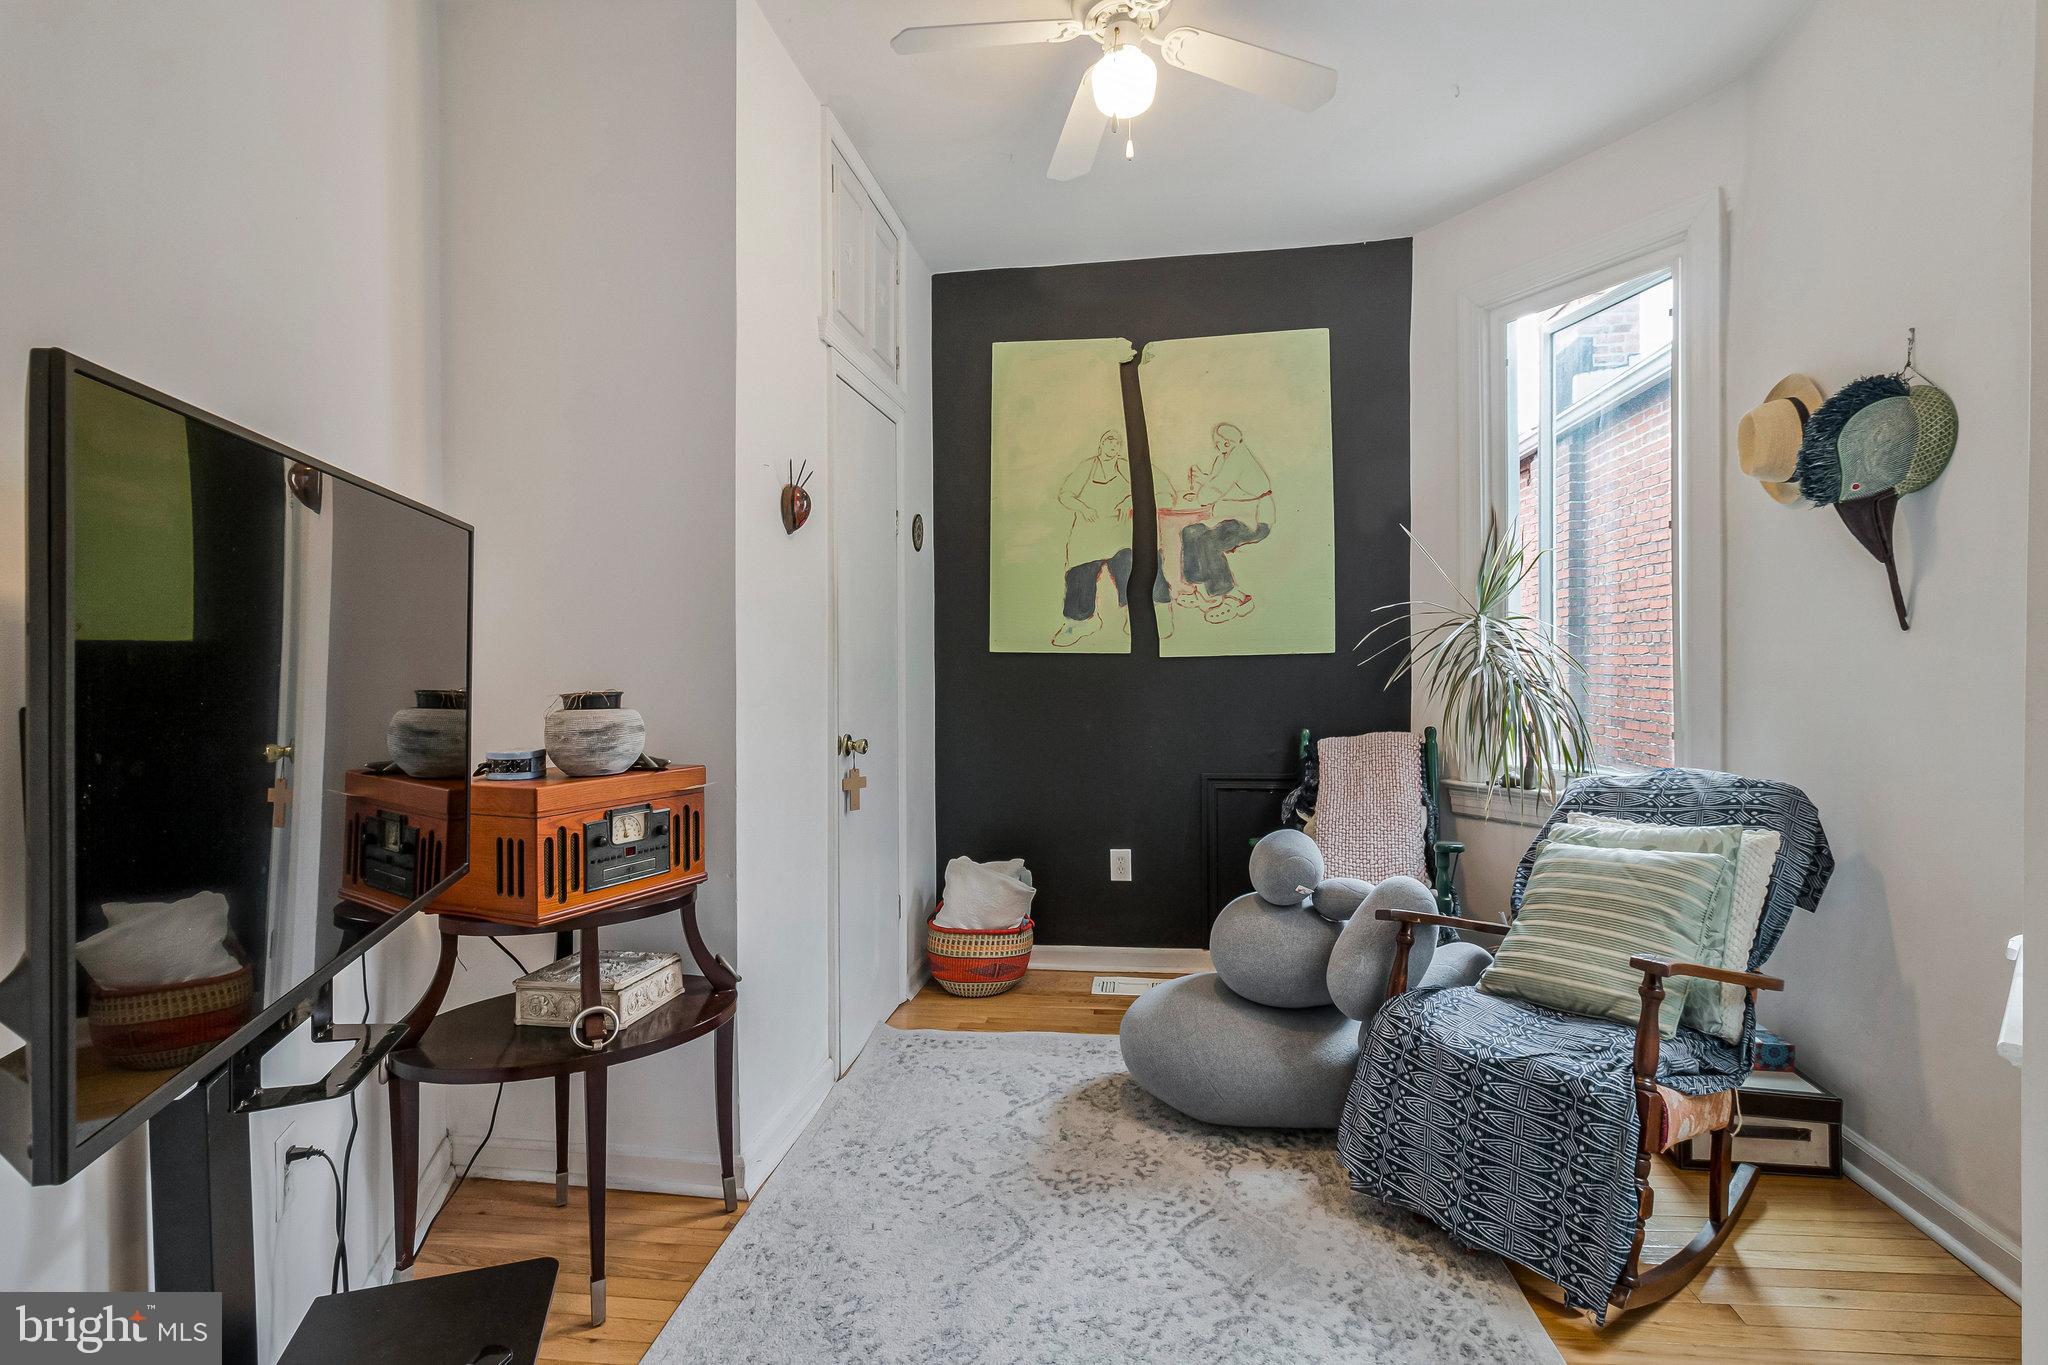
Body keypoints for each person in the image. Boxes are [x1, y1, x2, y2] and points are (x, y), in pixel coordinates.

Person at [1177, 422, 1275, 622]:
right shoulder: (1225, 458)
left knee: (1209, 541)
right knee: (1191, 532)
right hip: (1230, 516)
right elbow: (1216, 482)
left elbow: (1213, 492)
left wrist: (1201, 491)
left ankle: (1235, 597)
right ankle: (1203, 591)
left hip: (1253, 521)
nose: (1216, 446)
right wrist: (1201, 480)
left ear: (1228, 443)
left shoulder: (1238, 458)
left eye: (1219, 443)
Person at [1051, 430, 1139, 647]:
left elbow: (1151, 492)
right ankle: (1081, 622)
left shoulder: (1127, 468)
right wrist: (1083, 507)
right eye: (1109, 442)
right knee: (1081, 572)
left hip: (1119, 532)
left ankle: (1134, 615)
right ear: (1100, 446)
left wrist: (1128, 501)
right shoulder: (1087, 466)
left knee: (1128, 567)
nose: (1113, 446)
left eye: (1117, 443)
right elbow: (1065, 494)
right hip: (1089, 532)